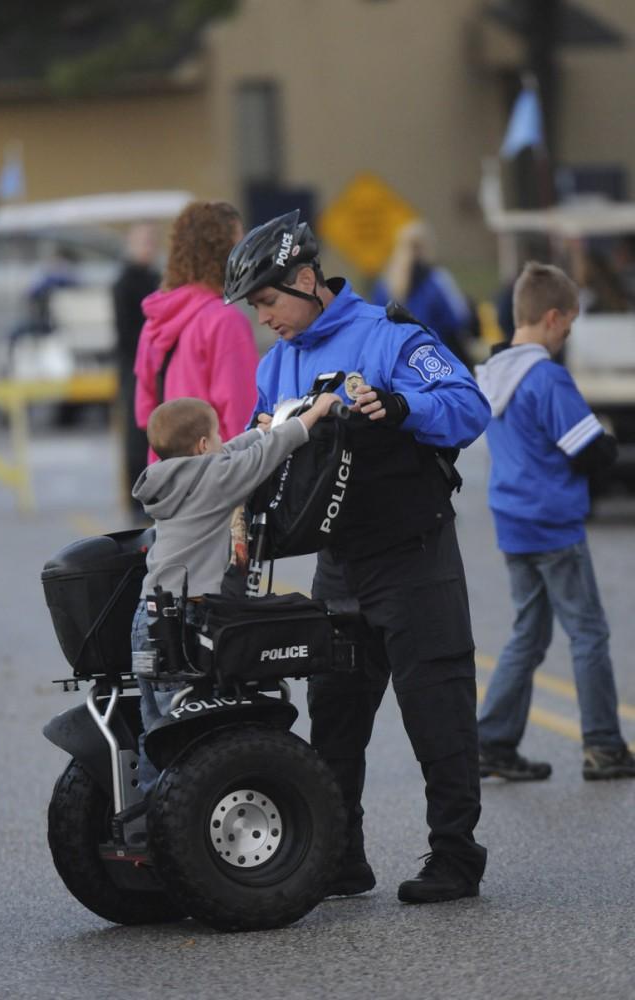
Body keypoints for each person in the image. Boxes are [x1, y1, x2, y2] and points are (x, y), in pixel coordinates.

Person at [224, 210, 491, 905]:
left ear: (307, 280)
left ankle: (455, 860)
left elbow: (468, 404)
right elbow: (257, 452)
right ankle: (341, 858)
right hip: (337, 565)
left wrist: (400, 405)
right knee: (334, 724)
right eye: (256, 308)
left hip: (413, 557)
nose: (265, 319)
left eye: (269, 301)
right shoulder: (275, 363)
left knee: (438, 716)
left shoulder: (389, 334)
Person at [131, 391, 341, 790]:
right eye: (216, 435)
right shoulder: (213, 479)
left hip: (148, 616)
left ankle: (144, 816)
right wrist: (313, 414)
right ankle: (175, 817)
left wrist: (254, 433)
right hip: (182, 618)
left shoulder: (170, 479)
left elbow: (227, 457)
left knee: (156, 728)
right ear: (202, 445)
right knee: (184, 730)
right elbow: (262, 459)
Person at [474, 261, 635, 782]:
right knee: (588, 633)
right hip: (554, 523)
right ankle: (604, 746)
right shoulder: (546, 377)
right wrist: (613, 444)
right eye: (568, 324)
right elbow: (591, 452)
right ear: (549, 318)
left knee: (529, 632)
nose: (568, 334)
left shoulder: (493, 371)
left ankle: (493, 741)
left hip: (513, 521)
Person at [133, 200, 258, 465]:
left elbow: (145, 414)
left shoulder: (156, 320)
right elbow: (243, 418)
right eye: (241, 245)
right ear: (225, 253)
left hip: (165, 482)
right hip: (215, 480)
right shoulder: (226, 322)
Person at [372, 220, 476, 369]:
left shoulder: (384, 284)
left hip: (396, 361)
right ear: (427, 247)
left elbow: (377, 323)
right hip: (436, 359)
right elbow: (458, 318)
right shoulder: (437, 279)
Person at [112, 223, 161, 514]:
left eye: (150, 241)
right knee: (135, 432)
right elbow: (125, 332)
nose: (147, 247)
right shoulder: (123, 283)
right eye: (141, 241)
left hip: (156, 364)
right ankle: (135, 498)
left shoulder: (156, 279)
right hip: (133, 365)